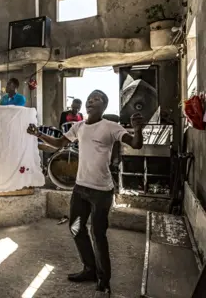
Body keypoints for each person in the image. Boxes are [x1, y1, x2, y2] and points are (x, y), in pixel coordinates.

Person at [27, 90, 143, 298]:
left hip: (101, 191)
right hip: (80, 189)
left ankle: (104, 282)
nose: (90, 102)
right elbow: (59, 144)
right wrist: (38, 134)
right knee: (75, 228)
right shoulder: (79, 126)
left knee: (98, 235)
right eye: (89, 99)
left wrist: (138, 129)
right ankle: (90, 269)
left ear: (104, 106)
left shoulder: (110, 127)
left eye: (96, 99)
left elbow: (136, 144)